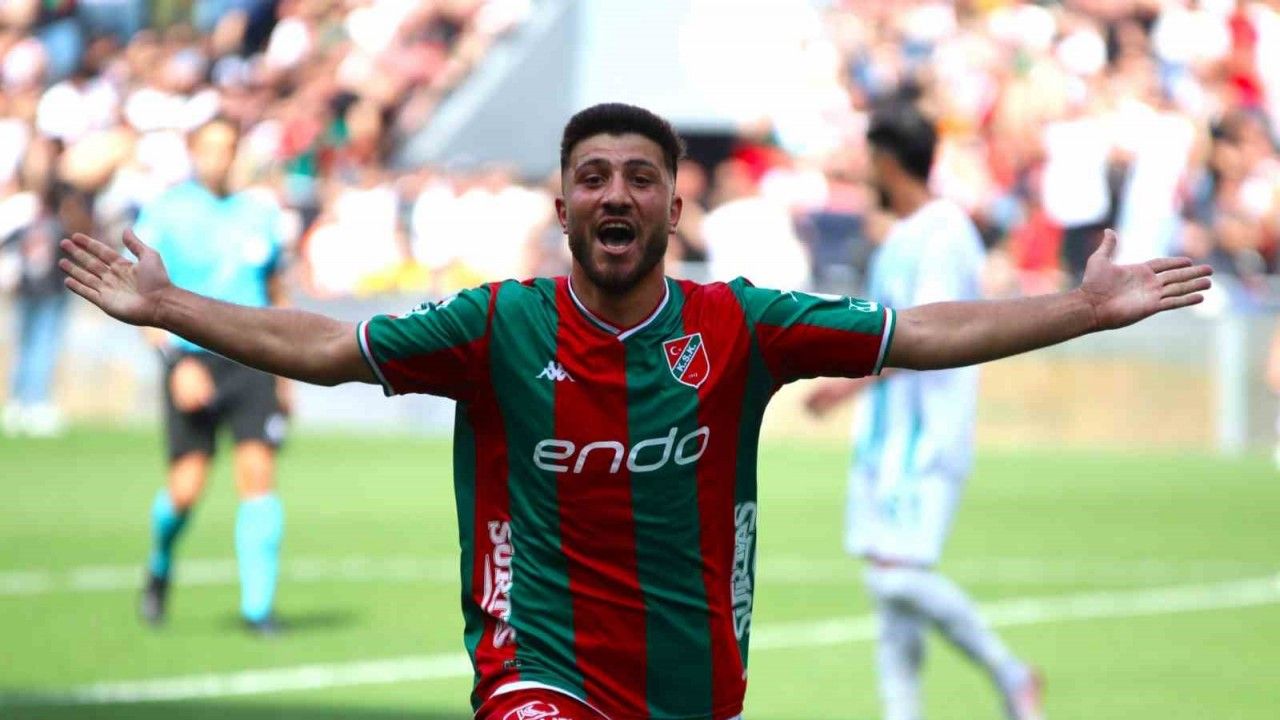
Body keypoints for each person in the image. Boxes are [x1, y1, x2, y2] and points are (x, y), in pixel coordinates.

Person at [59, 103, 1211, 720]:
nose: (616, 193)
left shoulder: (740, 323)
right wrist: (166, 306)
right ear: (563, 205)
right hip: (534, 672)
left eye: (640, 177)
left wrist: (1080, 307)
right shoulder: (496, 326)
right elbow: (324, 349)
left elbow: (914, 334)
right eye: (593, 177)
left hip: (691, 684)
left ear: (671, 205)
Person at [806, 102, 1039, 720]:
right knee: (888, 594)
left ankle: (1012, 674)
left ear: (887, 161)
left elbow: (926, 337)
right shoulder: (903, 236)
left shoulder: (943, 235)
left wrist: (843, 387)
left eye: (869, 159)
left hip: (926, 436)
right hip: (886, 438)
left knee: (896, 576)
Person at [130, 117, 290, 634]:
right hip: (191, 360)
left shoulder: (259, 212)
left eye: (228, 147)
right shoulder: (166, 212)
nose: (219, 157)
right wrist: (176, 364)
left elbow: (276, 291)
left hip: (252, 357)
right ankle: (159, 564)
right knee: (186, 488)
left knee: (258, 475)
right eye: (210, 147)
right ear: (193, 152)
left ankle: (258, 609)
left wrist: (286, 372)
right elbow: (140, 298)